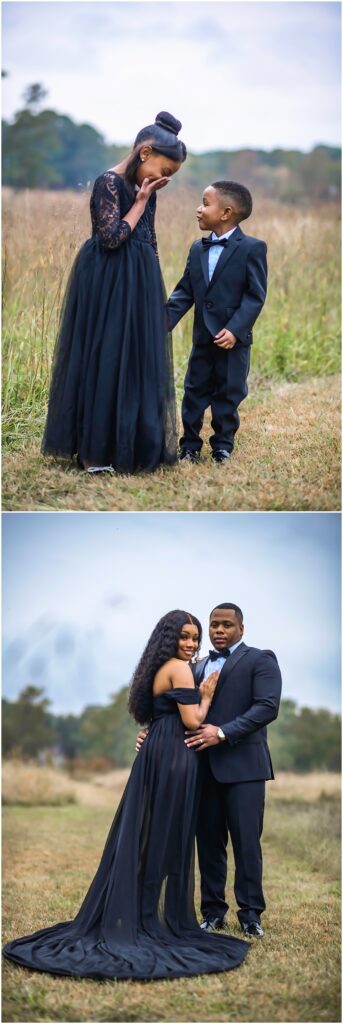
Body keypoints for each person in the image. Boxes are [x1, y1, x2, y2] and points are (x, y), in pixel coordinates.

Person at [3, 610, 249, 981]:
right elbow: (193, 722)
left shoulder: (154, 667)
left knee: (148, 836)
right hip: (176, 755)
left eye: (195, 637)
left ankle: (140, 910)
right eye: (185, 636)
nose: (191, 643)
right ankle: (152, 918)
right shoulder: (181, 669)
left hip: (155, 754)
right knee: (166, 839)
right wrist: (206, 695)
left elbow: (157, 718)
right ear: (169, 637)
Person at [41, 112, 186, 475]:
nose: (163, 179)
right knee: (104, 355)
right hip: (106, 279)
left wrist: (153, 284)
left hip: (138, 279)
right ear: (144, 152)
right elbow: (111, 238)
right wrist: (139, 201)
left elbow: (148, 238)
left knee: (134, 358)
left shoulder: (148, 187)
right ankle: (93, 452)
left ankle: (133, 445)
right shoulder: (109, 182)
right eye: (162, 168)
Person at [137, 602, 282, 938]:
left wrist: (222, 732)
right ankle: (212, 913)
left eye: (226, 625)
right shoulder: (195, 665)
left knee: (247, 844)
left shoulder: (260, 660)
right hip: (200, 769)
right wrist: (152, 730)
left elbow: (267, 707)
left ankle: (250, 915)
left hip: (245, 767)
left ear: (241, 629)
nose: (219, 630)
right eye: (214, 624)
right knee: (208, 845)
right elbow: (177, 711)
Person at [165, 181, 268, 463]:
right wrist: (162, 322)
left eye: (205, 203)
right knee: (194, 392)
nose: (198, 209)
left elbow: (255, 296)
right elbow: (185, 291)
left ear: (226, 212)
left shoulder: (252, 248)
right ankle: (189, 445)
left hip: (232, 340)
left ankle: (222, 446)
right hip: (202, 338)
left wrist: (236, 329)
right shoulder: (197, 249)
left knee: (228, 393)